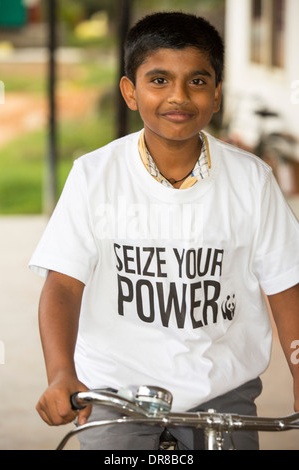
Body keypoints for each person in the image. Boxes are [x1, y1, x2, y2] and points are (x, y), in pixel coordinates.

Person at [29, 12, 299, 450]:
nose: (179, 96)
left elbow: (288, 284)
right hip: (118, 398)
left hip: (224, 400)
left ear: (216, 95)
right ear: (130, 92)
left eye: (197, 81)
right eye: (158, 80)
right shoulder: (94, 176)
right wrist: (61, 372)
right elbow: (63, 283)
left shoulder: (252, 181)